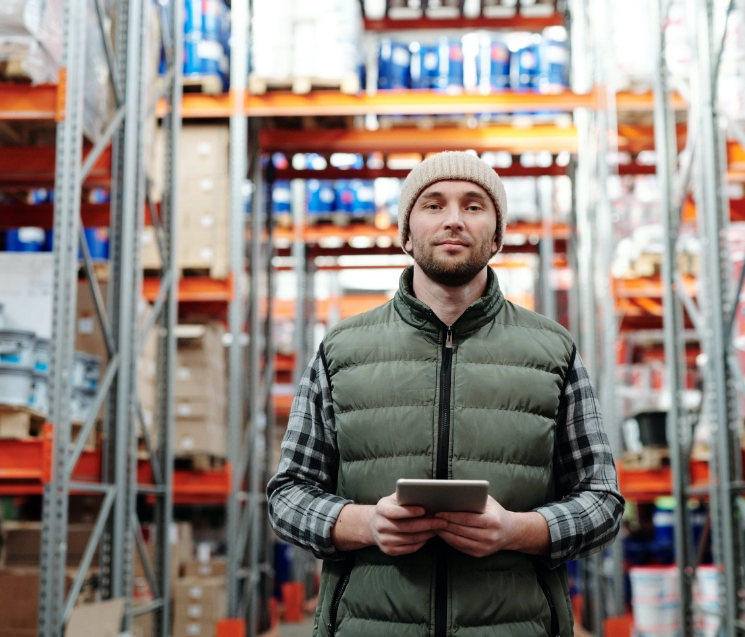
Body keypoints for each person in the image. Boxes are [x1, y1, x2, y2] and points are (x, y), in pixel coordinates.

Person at [267, 151, 625, 637]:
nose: (454, 220)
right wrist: (365, 524)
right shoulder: (341, 351)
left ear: (496, 235)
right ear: (407, 234)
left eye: (474, 206)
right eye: (433, 205)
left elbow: (602, 501)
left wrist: (517, 531)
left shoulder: (553, 351)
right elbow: (288, 496)